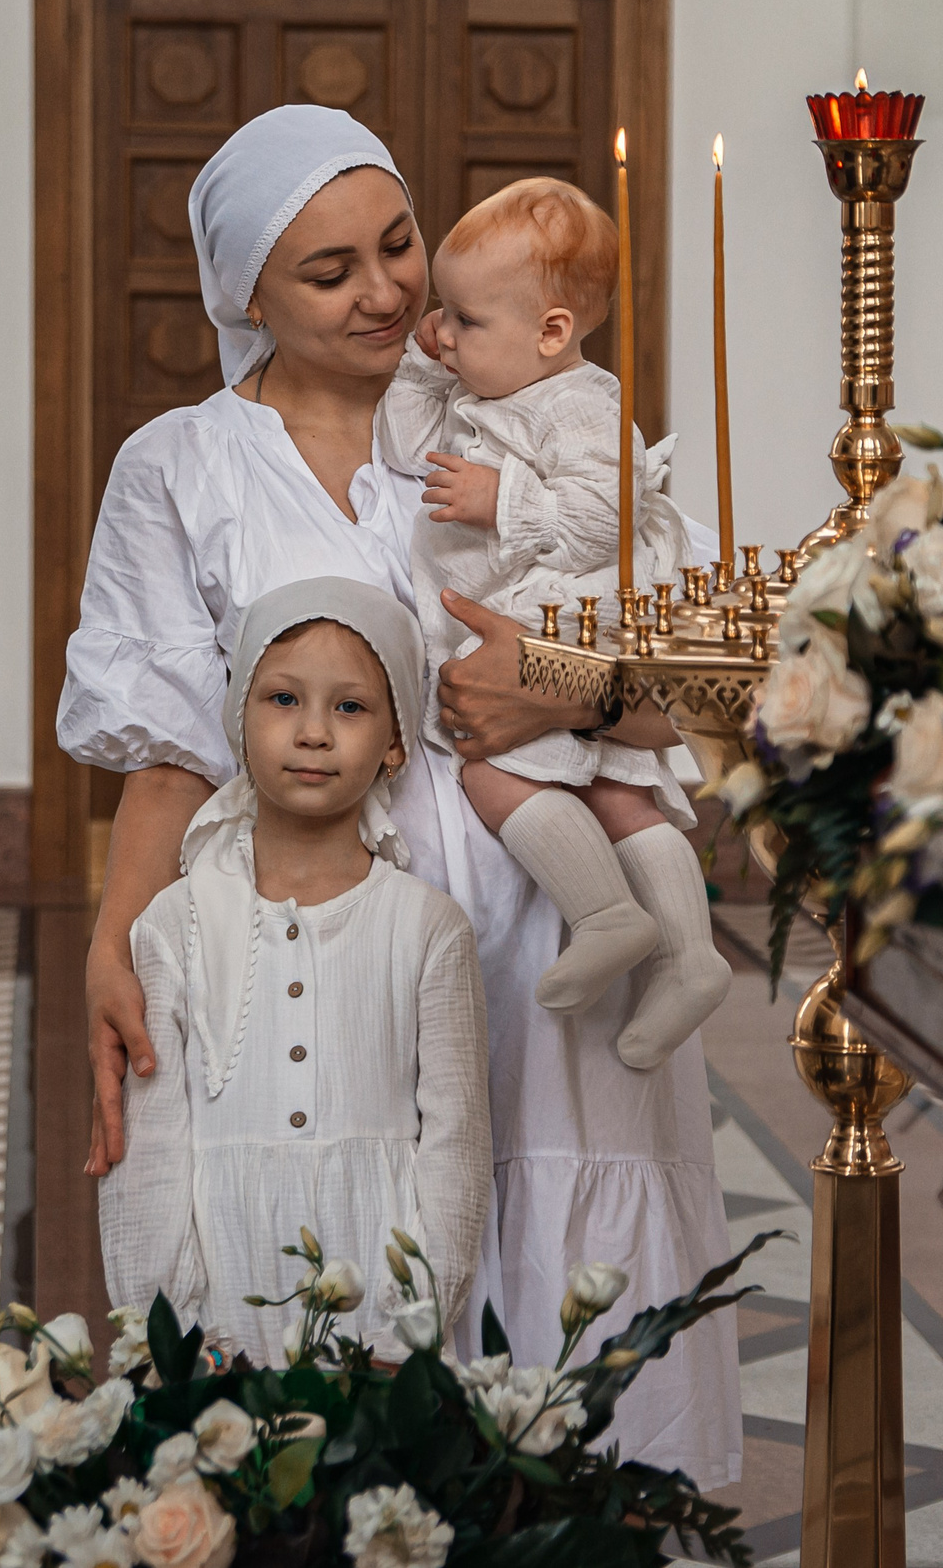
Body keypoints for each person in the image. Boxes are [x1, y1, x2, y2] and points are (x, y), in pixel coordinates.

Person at [59, 105, 739, 1486]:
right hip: (316, 933)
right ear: (247, 290)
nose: (386, 289)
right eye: (330, 272)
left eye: (399, 244)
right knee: (347, 1245)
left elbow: (714, 671)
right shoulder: (181, 467)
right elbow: (172, 747)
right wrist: (114, 941)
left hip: (556, 915)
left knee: (568, 1240)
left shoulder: (539, 424)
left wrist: (564, 686)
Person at [374, 175, 730, 1065]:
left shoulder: (582, 405)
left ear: (553, 332)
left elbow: (604, 513)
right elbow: (403, 442)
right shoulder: (491, 393)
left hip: (579, 623)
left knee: (491, 770)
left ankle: (608, 914)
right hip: (545, 622)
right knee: (618, 790)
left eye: (463, 319)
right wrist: (424, 360)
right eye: (442, 315)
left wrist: (505, 498)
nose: (443, 332)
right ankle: (687, 956)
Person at [100, 578, 488, 1365]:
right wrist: (167, 1337)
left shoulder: (428, 928)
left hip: (379, 1301)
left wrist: (409, 1326)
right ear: (239, 722)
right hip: (218, 1312)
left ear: (395, 741)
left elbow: (456, 1146)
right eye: (282, 699)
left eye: (349, 707)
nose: (313, 732)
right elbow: (151, 1156)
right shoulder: (173, 926)